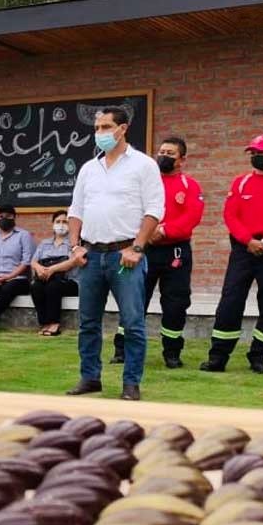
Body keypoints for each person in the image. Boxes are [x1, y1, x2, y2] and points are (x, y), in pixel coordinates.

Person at [65, 107, 165, 401]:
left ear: (123, 129)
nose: (100, 133)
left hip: (125, 255)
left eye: (106, 126)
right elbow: (76, 211)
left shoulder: (143, 165)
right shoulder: (88, 169)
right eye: (97, 127)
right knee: (88, 323)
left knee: (132, 322)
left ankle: (131, 384)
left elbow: (154, 210)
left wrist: (137, 247)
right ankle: (90, 377)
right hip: (91, 256)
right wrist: (74, 246)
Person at [201, 134, 263, 374]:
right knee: (231, 301)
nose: (256, 157)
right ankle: (218, 356)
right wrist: (248, 241)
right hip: (243, 249)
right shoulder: (240, 182)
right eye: (253, 153)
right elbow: (230, 215)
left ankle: (259, 356)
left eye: (261, 153)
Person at [111, 136, 204, 369]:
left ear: (182, 159)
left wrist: (163, 230)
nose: (163, 156)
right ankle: (122, 350)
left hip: (176, 251)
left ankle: (172, 353)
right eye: (161, 151)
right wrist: (144, 234)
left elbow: (192, 217)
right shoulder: (145, 182)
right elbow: (130, 209)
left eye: (170, 153)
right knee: (133, 300)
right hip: (142, 249)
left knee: (175, 303)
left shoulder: (190, 185)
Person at [0, 204, 34, 333]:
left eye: (9, 216)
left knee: (8, 288)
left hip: (17, 279)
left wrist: (9, 276)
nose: (4, 219)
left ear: (14, 217)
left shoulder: (23, 235)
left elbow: (26, 261)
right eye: (1, 216)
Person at [30, 210, 85, 336]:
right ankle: (44, 323)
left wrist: (52, 269)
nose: (61, 225)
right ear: (53, 224)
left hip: (70, 281)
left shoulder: (74, 244)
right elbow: (33, 261)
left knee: (53, 287)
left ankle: (54, 324)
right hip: (46, 278)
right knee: (35, 286)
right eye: (58, 222)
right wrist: (39, 268)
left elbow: (73, 262)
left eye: (65, 222)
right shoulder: (44, 243)